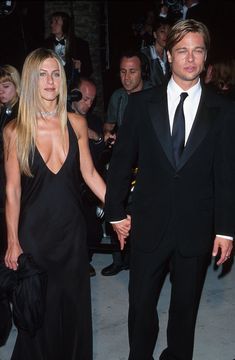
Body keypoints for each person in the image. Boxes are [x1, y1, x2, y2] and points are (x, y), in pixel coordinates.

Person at [104, 19, 235, 360]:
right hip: (147, 223)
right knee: (141, 304)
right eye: (182, 51)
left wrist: (226, 229)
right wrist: (115, 212)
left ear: (206, 58)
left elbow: (226, 173)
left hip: (196, 226)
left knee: (185, 309)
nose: (190, 59)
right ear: (169, 55)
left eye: (198, 50)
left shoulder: (224, 110)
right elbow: (121, 163)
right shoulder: (141, 105)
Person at [3, 48, 129, 360]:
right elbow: (12, 191)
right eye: (42, 74)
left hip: (71, 233)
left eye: (56, 73)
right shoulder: (14, 131)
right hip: (35, 236)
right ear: (31, 81)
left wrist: (118, 212)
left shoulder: (76, 123)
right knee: (39, 312)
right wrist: (12, 241)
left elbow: (89, 174)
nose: (50, 81)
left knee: (73, 308)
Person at [101, 50, 152, 277]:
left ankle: (142, 261)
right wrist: (108, 135)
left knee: (144, 214)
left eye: (132, 71)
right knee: (115, 206)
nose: (127, 77)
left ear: (143, 72)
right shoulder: (117, 97)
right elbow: (109, 125)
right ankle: (118, 259)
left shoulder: (155, 95)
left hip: (149, 165)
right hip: (122, 163)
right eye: (123, 72)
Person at [69, 77, 106, 277]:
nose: (88, 103)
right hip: (66, 183)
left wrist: (95, 136)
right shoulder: (59, 117)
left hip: (87, 183)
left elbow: (100, 153)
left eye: (92, 100)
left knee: (93, 231)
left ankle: (86, 256)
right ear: (74, 94)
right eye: (85, 98)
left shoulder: (93, 120)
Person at [0, 65, 21, 256]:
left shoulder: (20, 112)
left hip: (13, 177)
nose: (1, 91)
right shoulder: (5, 110)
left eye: (5, 86)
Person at [44, 11, 93, 89]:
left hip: (72, 87)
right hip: (51, 85)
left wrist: (80, 67)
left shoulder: (81, 45)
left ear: (65, 24)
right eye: (52, 22)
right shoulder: (44, 44)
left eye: (56, 22)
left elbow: (89, 70)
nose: (52, 25)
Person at [141, 17, 172, 86]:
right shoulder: (145, 54)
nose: (166, 35)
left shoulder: (169, 55)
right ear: (155, 34)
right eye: (162, 31)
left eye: (169, 32)